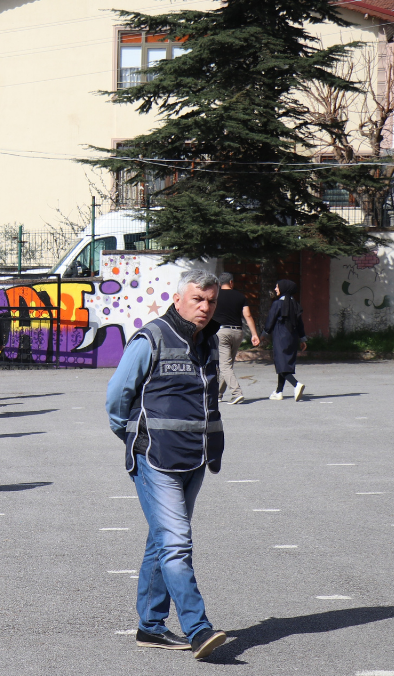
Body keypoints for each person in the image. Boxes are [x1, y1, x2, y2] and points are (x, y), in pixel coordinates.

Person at [105, 269, 227, 660]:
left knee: (162, 540)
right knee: (177, 544)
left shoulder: (209, 341)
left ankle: (151, 627)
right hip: (155, 458)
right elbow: (117, 395)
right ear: (178, 300)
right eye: (197, 299)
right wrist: (129, 436)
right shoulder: (151, 337)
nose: (205, 307)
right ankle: (198, 628)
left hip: (194, 458)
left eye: (210, 301)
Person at [210, 273, 261, 405]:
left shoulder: (215, 296)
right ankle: (218, 394)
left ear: (220, 284)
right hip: (237, 332)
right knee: (227, 364)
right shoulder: (240, 296)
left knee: (224, 365)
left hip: (221, 331)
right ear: (231, 282)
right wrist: (254, 334)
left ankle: (236, 393)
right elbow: (248, 315)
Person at [266, 279, 306, 401]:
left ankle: (296, 384)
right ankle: (278, 391)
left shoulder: (277, 304)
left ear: (283, 288)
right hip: (292, 337)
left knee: (281, 363)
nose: (275, 289)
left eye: (277, 287)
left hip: (280, 337)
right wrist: (303, 338)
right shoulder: (295, 304)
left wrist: (264, 333)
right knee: (284, 363)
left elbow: (270, 320)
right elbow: (300, 323)